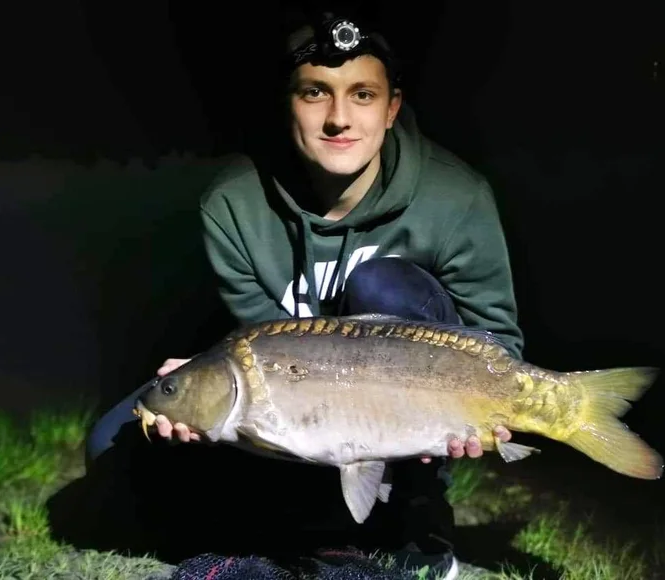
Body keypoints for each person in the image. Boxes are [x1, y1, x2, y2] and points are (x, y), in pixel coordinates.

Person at [85, 13, 524, 580]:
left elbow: (500, 341)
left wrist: (478, 411)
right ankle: (317, 506)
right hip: (311, 397)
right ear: (286, 103)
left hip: (430, 389)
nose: (339, 118)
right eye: (315, 92)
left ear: (392, 108)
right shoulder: (234, 205)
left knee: (381, 285)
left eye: (362, 95)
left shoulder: (456, 197)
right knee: (110, 446)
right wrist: (200, 396)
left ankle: (418, 507)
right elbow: (264, 352)